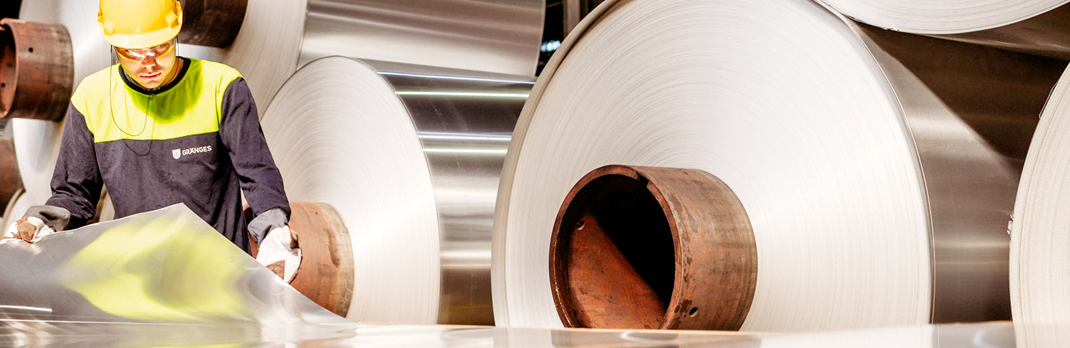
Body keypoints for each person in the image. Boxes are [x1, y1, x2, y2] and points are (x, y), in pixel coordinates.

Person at [2, 0, 300, 281]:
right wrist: (44, 221)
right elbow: (75, 195)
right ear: (113, 43)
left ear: (177, 30)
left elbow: (257, 174)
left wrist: (274, 230)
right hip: (136, 279)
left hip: (219, 277)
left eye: (161, 46)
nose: (149, 63)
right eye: (133, 52)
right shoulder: (91, 99)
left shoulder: (222, 87)